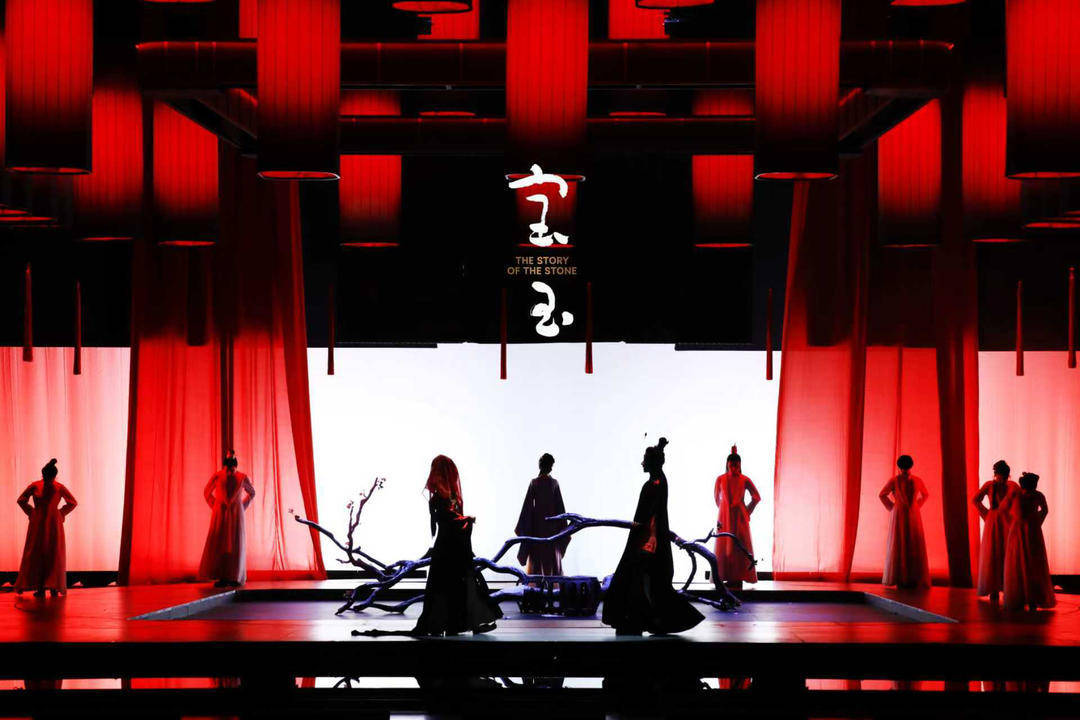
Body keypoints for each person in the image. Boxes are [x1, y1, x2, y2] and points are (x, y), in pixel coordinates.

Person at [602, 438, 705, 635]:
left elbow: (652, 513)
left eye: (645, 460)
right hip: (648, 538)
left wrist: (646, 536)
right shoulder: (658, 481)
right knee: (643, 581)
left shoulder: (655, 483)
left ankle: (640, 619)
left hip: (648, 541)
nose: (642, 463)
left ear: (652, 462)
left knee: (642, 580)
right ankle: (641, 619)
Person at [412, 455, 503, 636]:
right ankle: (445, 625)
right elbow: (445, 519)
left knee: (464, 585)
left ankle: (468, 623)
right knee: (447, 586)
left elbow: (451, 519)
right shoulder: (438, 498)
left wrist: (463, 521)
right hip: (447, 547)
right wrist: (466, 520)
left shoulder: (450, 496)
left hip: (455, 546)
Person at [15, 459, 77, 597]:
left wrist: (60, 513)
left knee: (52, 552)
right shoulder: (36, 486)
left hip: (52, 522)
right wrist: (32, 512)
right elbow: (21, 500)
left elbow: (73, 502)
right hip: (39, 522)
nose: (49, 479)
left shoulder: (58, 487)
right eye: (47, 476)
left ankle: (53, 586)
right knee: (37, 552)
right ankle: (41, 587)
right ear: (44, 475)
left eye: (50, 477)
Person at [198, 451, 255, 587]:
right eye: (228, 464)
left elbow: (252, 493)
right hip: (222, 514)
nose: (230, 467)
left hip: (235, 515)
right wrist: (216, 505)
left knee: (235, 543)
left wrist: (241, 506)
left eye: (232, 464)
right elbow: (206, 492)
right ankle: (222, 575)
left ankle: (234, 575)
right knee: (220, 542)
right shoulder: (218, 476)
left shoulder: (241, 477)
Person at [1003, 472, 1055, 612]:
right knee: (1022, 560)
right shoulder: (1018, 495)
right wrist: (1013, 523)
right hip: (1022, 530)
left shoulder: (1035, 495)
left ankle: (1031, 596)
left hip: (1029, 530)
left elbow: (1045, 510)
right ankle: (1021, 596)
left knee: (1032, 561)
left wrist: (1036, 522)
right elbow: (1004, 509)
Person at [879, 454, 930, 589]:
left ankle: (912, 578)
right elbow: (882, 495)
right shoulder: (895, 481)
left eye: (906, 467)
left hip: (912, 514)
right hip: (901, 513)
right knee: (901, 541)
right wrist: (893, 508)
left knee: (912, 541)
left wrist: (915, 505)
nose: (905, 470)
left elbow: (926, 494)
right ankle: (902, 577)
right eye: (903, 467)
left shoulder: (916, 480)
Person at [514, 453, 570, 575]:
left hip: (537, 526)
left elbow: (527, 508)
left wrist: (525, 527)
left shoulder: (534, 483)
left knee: (537, 555)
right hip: (552, 527)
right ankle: (552, 583)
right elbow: (560, 508)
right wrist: (564, 529)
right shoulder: (554, 483)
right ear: (550, 467)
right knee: (551, 555)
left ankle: (536, 583)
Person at [973, 460, 1020, 603]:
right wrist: (986, 515)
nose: (1002, 478)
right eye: (1000, 475)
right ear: (996, 474)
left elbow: (1019, 502)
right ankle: (993, 587)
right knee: (993, 551)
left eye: (1005, 476)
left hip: (1008, 521)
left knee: (1007, 551)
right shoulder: (989, 485)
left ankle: (1008, 586)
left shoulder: (1012, 486)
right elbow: (975, 499)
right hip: (993, 522)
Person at [713, 444, 760, 588]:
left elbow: (756, 497)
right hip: (725, 517)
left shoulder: (744, 479)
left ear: (740, 464)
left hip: (739, 517)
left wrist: (746, 511)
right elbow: (716, 498)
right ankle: (725, 575)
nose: (734, 466)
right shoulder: (720, 479)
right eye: (731, 463)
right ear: (727, 464)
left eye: (736, 463)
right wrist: (724, 510)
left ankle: (738, 576)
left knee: (739, 545)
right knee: (725, 544)